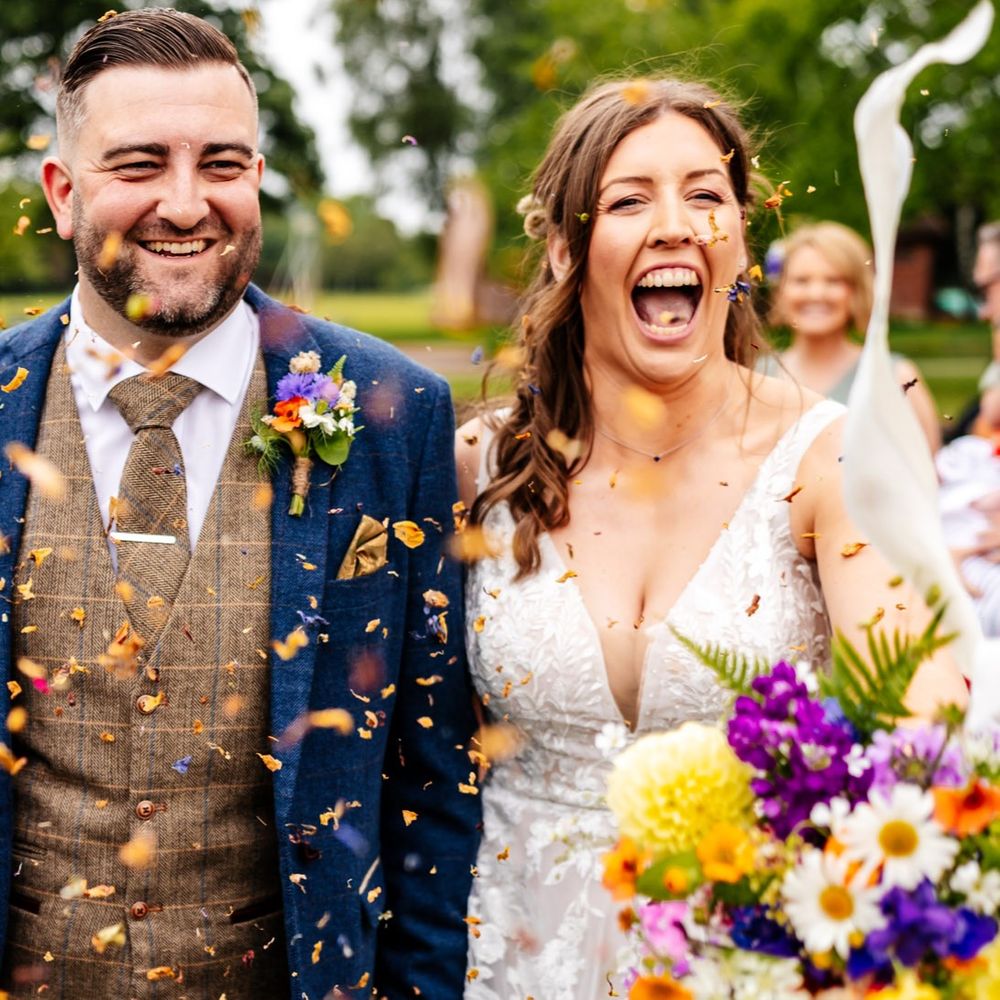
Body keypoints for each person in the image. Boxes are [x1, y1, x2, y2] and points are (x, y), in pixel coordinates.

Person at [0, 10, 479, 999]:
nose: (186, 203)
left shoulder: (393, 412)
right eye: (140, 163)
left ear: (256, 176)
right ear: (62, 191)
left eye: (221, 163)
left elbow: (433, 777)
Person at [454, 78, 968, 999]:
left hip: (750, 960)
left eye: (705, 194)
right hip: (505, 955)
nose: (675, 226)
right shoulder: (483, 465)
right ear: (566, 248)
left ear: (739, 241)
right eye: (628, 200)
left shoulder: (836, 460)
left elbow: (917, 750)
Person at [767, 221, 941, 452]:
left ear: (857, 291)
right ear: (780, 291)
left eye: (833, 281)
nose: (816, 294)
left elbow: (926, 465)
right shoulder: (752, 375)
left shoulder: (894, 376)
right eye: (801, 281)